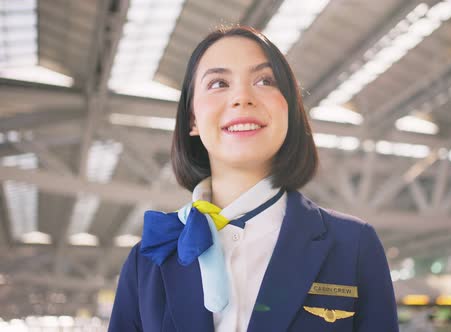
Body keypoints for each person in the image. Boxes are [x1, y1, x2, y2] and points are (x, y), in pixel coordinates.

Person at [108, 25, 398, 332]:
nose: (242, 98)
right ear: (192, 118)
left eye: (264, 80)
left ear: (288, 110)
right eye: (218, 83)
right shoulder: (148, 262)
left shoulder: (353, 246)